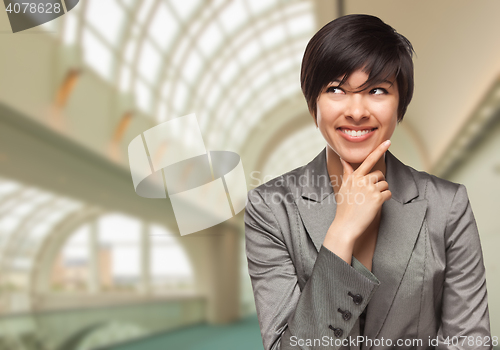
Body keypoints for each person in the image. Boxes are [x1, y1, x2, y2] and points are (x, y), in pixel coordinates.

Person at [244, 14, 492, 350]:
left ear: (399, 103)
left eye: (377, 90)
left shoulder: (448, 206)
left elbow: (469, 342)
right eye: (336, 89)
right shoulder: (269, 209)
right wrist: (341, 233)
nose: (357, 110)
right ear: (312, 103)